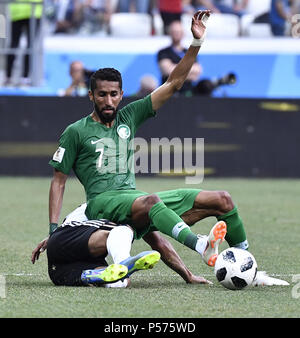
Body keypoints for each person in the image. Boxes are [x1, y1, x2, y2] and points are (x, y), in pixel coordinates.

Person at [33, 10, 248, 265]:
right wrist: (54, 230)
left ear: (121, 94)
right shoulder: (75, 131)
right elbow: (58, 182)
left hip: (135, 199)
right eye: (101, 94)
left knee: (222, 199)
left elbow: (174, 83)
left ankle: (246, 262)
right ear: (91, 96)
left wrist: (196, 43)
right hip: (103, 203)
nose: (108, 100)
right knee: (150, 200)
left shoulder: (129, 117)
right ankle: (201, 245)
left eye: (113, 94)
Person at [32, 203, 212, 287]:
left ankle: (106, 275)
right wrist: (187, 276)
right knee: (123, 230)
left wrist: (188, 276)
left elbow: (160, 243)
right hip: (62, 242)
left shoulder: (131, 206)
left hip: (60, 272)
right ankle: (123, 263)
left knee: (120, 281)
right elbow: (160, 243)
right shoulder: (110, 205)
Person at [157, 20, 202, 96]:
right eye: (174, 32)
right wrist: (188, 70)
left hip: (188, 93)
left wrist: (175, 70)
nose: (176, 34)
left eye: (178, 32)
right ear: (170, 33)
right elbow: (168, 72)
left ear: (183, 34)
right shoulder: (163, 52)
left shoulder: (190, 52)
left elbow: (196, 72)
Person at [5, 0, 42, 86]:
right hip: (21, 11)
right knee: (15, 46)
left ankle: (22, 78)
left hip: (32, 10)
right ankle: (10, 77)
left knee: (29, 46)